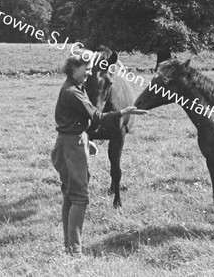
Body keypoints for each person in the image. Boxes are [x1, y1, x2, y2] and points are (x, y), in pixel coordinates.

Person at [51, 53, 147, 255]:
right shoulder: (72, 92)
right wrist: (123, 112)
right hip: (71, 146)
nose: (89, 73)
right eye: (86, 69)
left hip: (71, 142)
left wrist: (86, 141)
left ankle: (68, 245)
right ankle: (75, 251)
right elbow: (96, 117)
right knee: (80, 198)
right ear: (74, 68)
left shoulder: (75, 87)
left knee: (70, 194)